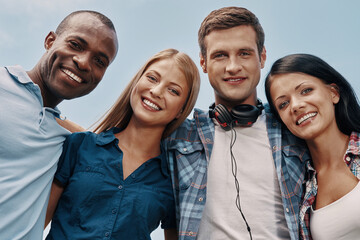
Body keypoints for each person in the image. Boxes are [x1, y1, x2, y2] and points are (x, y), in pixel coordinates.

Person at [165, 6, 310, 240]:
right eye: (220, 55)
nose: (233, 66)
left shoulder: (294, 130)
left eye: (244, 53)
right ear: (203, 63)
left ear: (262, 57)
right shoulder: (179, 135)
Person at [44, 48, 200, 240]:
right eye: (152, 78)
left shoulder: (172, 179)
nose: (157, 91)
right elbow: (36, 223)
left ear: (181, 111)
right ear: (137, 82)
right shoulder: (79, 146)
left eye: (173, 90)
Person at [0, 10, 118, 239]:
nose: (83, 62)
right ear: (50, 41)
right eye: (76, 45)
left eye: (100, 61)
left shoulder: (65, 137)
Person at [265, 53, 360, 240]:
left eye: (306, 90)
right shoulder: (301, 189)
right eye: (283, 104)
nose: (296, 106)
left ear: (333, 93)